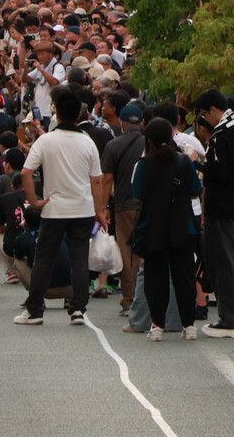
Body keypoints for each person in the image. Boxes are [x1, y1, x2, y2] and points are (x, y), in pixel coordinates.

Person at [14, 88, 108, 327]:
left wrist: (34, 201)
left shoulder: (46, 141)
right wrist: (100, 210)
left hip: (54, 209)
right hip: (83, 208)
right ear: (78, 114)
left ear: (56, 111)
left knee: (44, 258)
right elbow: (96, 180)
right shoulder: (87, 142)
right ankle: (77, 309)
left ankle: (35, 309)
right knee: (79, 258)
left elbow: (26, 173)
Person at [130, 118, 202, 341]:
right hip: (183, 226)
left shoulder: (144, 164)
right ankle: (189, 326)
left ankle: (157, 326)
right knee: (184, 278)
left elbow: (138, 194)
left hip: (153, 227)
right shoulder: (183, 162)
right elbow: (195, 190)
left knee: (155, 278)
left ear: (148, 140)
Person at [194, 89, 234, 339]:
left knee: (224, 262)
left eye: (203, 115)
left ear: (212, 111)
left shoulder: (221, 134)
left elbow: (217, 172)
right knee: (233, 260)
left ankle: (230, 319)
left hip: (221, 206)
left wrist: (197, 162)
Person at [100, 102, 146, 314]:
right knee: (145, 251)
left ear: (121, 122)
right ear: (143, 123)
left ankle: (130, 298)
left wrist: (101, 207)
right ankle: (146, 297)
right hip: (148, 205)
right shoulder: (149, 143)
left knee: (126, 251)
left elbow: (107, 179)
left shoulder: (113, 145)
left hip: (124, 205)